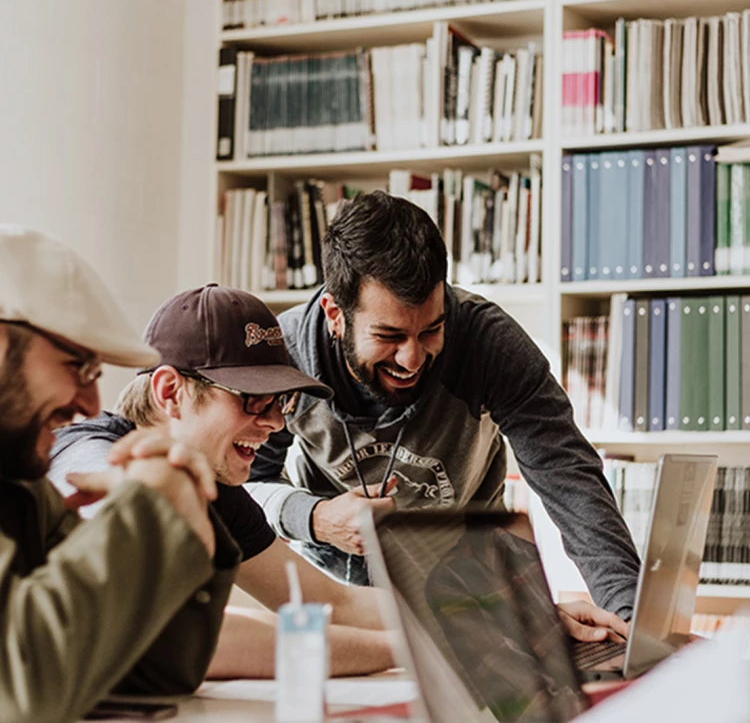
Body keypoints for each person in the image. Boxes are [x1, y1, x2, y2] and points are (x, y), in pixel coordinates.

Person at [248, 190, 642, 622]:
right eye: (389, 336)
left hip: (471, 590)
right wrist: (316, 518)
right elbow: (245, 487)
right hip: (335, 598)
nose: (412, 359)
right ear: (335, 314)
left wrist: (629, 621)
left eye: (431, 330)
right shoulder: (285, 358)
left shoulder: (491, 345)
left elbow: (572, 484)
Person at [49, 284, 396, 678]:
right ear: (170, 392)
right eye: (253, 398)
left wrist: (455, 621)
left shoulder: (215, 489)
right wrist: (407, 651)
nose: (276, 423)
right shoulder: (86, 458)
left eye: (280, 402)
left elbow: (329, 602)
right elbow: (176, 634)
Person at [0, 226, 240, 723]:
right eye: (79, 366)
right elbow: (21, 694)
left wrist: (183, 505)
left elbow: (149, 674)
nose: (91, 404)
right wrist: (152, 507)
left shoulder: (23, 493)